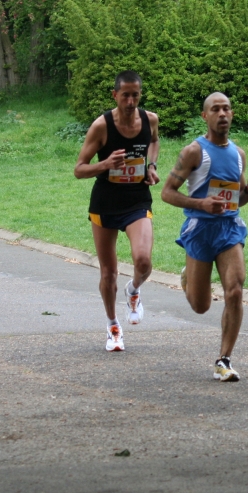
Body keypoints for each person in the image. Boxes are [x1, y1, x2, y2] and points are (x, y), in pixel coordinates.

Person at [161, 92, 248, 382]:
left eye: (226, 108)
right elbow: (167, 193)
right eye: (215, 109)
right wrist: (202, 204)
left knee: (235, 290)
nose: (222, 114)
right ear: (205, 116)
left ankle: (224, 360)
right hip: (200, 229)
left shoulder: (238, 154)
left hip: (229, 229)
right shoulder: (193, 152)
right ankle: (188, 278)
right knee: (200, 305)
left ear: (232, 114)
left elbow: (238, 199)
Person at [74, 71, 160, 352]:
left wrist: (152, 166)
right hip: (106, 203)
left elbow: (154, 141)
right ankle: (113, 326)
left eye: (136, 95)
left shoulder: (150, 119)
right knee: (108, 272)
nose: (131, 101)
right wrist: (106, 164)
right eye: (125, 96)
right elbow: (79, 169)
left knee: (143, 261)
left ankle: (133, 290)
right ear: (115, 95)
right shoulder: (102, 126)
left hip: (137, 200)